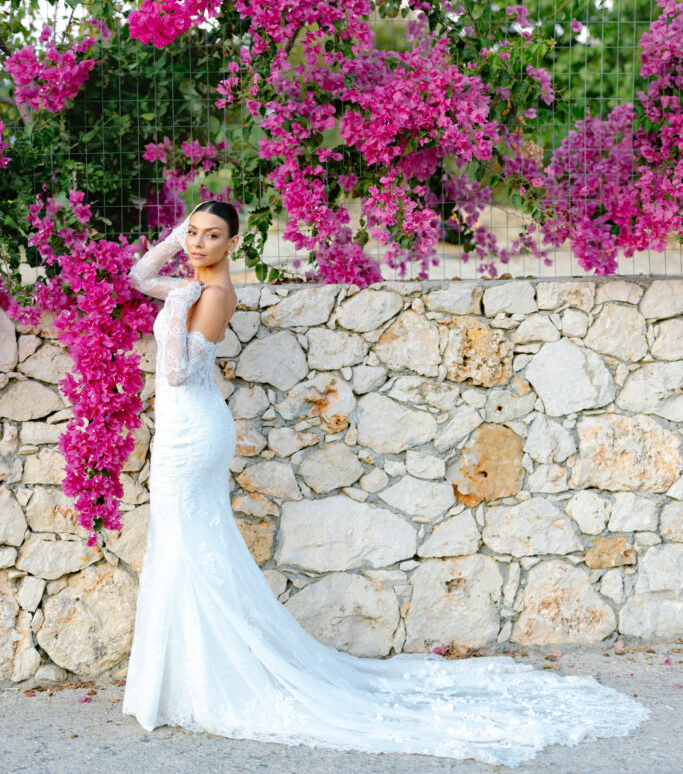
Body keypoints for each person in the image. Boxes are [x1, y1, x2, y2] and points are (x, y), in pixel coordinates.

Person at [121, 199, 649, 767]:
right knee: (184, 543)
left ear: (232, 244)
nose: (198, 244)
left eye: (211, 235)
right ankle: (182, 677)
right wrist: (179, 241)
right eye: (193, 233)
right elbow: (138, 276)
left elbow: (174, 369)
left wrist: (179, 299)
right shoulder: (191, 284)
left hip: (193, 432)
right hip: (184, 425)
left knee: (189, 542)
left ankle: (208, 677)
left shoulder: (212, 294)